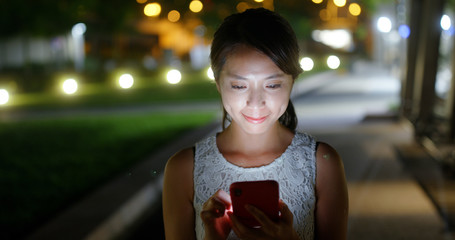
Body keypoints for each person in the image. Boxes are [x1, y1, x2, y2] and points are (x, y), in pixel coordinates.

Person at [163, 8, 348, 240]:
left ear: (292, 82)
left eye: (272, 85)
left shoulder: (322, 164)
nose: (256, 102)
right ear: (218, 83)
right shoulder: (183, 170)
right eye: (239, 86)